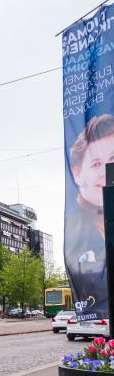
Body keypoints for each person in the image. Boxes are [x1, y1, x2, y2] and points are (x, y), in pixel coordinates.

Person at [65, 113, 113, 317]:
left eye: (112, 160)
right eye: (95, 164)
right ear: (77, 173)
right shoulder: (76, 233)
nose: (106, 171)